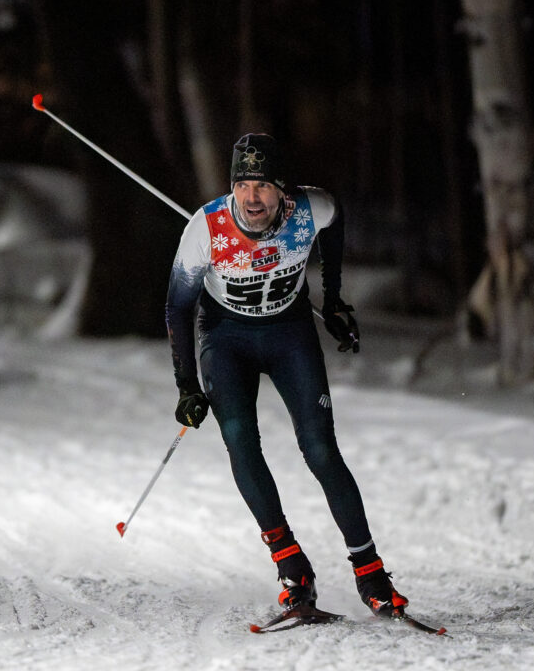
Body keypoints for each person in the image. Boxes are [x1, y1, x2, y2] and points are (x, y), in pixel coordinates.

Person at [165, 133, 409, 617]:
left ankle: (371, 574)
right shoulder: (206, 228)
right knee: (240, 440)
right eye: (242, 185)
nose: (251, 197)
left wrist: (333, 297)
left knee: (320, 449)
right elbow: (177, 307)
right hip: (226, 338)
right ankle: (292, 567)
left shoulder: (308, 209)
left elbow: (335, 219)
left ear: (282, 189)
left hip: (288, 333)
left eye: (262, 185)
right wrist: (187, 385)